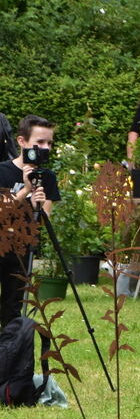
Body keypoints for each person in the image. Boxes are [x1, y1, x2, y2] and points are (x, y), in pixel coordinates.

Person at [0, 116, 61, 325]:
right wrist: (25, 189)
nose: (45, 148)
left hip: (22, 248)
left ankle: (10, 352)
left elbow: (43, 220)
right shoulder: (3, 171)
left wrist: (38, 205)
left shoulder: (48, 177)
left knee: (13, 307)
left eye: (49, 143)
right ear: (22, 142)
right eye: (40, 143)